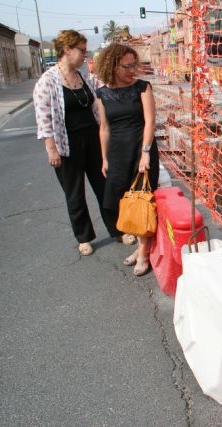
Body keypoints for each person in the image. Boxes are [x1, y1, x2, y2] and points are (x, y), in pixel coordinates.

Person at [33, 30, 119, 256]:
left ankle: (117, 228)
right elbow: (44, 120)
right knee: (75, 193)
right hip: (66, 145)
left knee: (104, 185)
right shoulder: (47, 82)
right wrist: (51, 149)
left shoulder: (83, 76)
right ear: (67, 50)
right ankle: (84, 237)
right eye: (81, 50)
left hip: (92, 139)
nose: (84, 54)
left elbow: (99, 96)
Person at [95, 44, 159, 276]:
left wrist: (145, 153)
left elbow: (150, 122)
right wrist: (104, 158)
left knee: (142, 199)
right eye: (127, 66)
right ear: (112, 66)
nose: (133, 70)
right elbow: (104, 128)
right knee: (120, 199)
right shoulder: (102, 94)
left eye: (135, 65)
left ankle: (142, 253)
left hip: (141, 149)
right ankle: (142, 246)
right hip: (117, 153)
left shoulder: (143, 88)